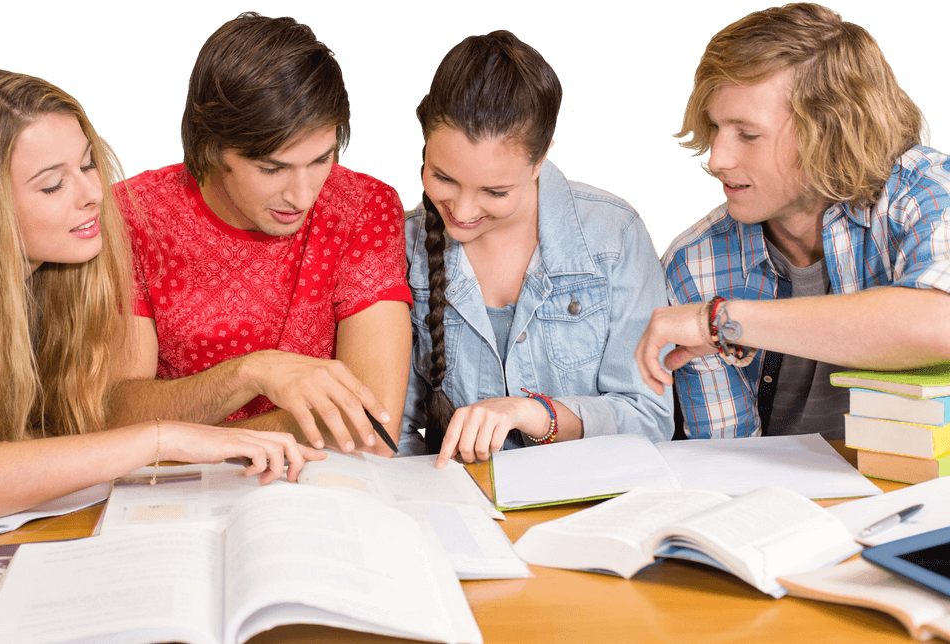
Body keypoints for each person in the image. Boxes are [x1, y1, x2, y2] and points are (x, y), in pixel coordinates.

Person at [0, 69, 323, 530]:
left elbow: (70, 432)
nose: (93, 195)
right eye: (53, 185)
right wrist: (159, 439)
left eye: (88, 165)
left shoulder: (67, 266)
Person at [635, 3, 950, 440]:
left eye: (748, 134)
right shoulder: (695, 261)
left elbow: (939, 323)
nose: (716, 159)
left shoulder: (925, 193)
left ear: (831, 132)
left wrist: (723, 321)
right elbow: (727, 454)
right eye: (715, 127)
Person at [108, 12, 413, 454]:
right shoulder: (132, 214)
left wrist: (182, 438)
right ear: (212, 147)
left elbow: (372, 430)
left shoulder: (364, 206)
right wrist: (250, 373)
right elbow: (116, 417)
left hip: (315, 486)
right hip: (177, 489)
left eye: (321, 160)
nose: (303, 195)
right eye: (272, 168)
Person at [401, 31, 673, 466]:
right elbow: (394, 432)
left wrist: (532, 414)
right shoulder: (403, 246)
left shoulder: (613, 235)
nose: (463, 211)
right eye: (443, 178)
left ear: (541, 157)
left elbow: (649, 419)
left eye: (495, 191)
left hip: (591, 495)